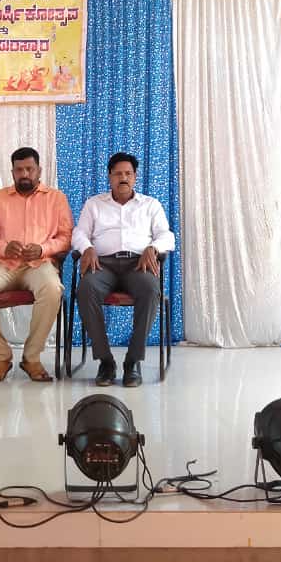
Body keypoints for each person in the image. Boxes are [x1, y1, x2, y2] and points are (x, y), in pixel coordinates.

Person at [0, 146, 73, 383]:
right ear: (12, 171)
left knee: (53, 288)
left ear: (39, 171)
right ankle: (1, 355)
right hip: (3, 264)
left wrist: (43, 249)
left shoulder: (56, 198)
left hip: (39, 264)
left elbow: (66, 238)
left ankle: (31, 357)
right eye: (19, 170)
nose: (24, 174)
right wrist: (4, 247)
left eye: (29, 169)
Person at [72, 152, 175, 388]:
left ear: (135, 177)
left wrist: (154, 247)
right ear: (109, 177)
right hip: (102, 264)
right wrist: (87, 248)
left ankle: (133, 361)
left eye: (128, 173)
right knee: (86, 289)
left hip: (138, 265)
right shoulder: (94, 204)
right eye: (118, 174)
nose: (123, 178)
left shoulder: (150, 205)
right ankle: (106, 361)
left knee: (151, 289)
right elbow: (79, 233)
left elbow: (167, 236)